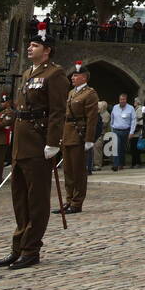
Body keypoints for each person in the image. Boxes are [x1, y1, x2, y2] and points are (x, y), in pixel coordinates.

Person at [0, 34, 67, 270]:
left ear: (47, 50)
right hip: (21, 143)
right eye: (30, 45)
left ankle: (31, 249)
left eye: (35, 45)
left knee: (36, 199)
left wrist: (53, 142)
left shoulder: (54, 74)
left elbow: (57, 111)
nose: (29, 48)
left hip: (38, 142)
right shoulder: (27, 73)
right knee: (20, 198)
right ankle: (18, 247)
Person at [61, 62, 99, 213]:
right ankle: (69, 200)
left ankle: (77, 202)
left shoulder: (90, 94)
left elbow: (91, 118)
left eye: (76, 75)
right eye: (73, 75)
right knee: (68, 170)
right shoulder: (71, 93)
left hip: (79, 134)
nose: (73, 77)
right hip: (67, 134)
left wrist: (89, 139)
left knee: (78, 171)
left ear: (84, 77)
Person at [109, 93, 135, 172]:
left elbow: (134, 120)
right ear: (119, 100)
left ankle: (121, 163)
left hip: (126, 131)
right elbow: (112, 118)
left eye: (123, 99)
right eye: (121, 99)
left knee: (122, 148)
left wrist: (131, 132)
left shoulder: (131, 108)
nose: (122, 101)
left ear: (126, 100)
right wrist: (112, 128)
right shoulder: (115, 107)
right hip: (116, 130)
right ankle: (115, 165)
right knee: (116, 146)